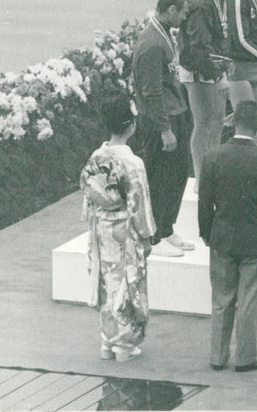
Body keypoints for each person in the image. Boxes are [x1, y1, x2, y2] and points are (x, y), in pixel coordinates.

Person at [199, 100, 257, 373]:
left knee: (221, 299)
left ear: (233, 122)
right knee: (248, 298)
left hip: (222, 238)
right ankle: (245, 357)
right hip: (256, 241)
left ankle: (217, 356)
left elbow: (204, 202)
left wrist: (206, 232)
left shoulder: (212, 157)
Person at [80, 95, 156, 362]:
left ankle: (107, 341)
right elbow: (139, 203)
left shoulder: (96, 157)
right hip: (125, 228)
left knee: (105, 281)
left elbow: (89, 194)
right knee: (127, 281)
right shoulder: (133, 164)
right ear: (131, 125)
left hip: (101, 226)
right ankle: (124, 343)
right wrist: (146, 236)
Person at [132, 0, 194, 257]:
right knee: (159, 177)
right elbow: (150, 91)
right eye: (183, 12)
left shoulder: (164, 34)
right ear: (171, 10)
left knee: (178, 173)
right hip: (160, 122)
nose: (185, 17)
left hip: (176, 114)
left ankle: (166, 228)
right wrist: (165, 129)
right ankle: (153, 238)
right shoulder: (151, 43)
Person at [180, 0, 239, 185]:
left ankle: (210, 171)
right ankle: (200, 176)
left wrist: (225, 63)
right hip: (198, 68)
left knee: (216, 120)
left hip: (212, 66)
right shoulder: (201, 2)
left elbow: (218, 34)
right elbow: (198, 48)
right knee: (204, 122)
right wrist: (218, 76)